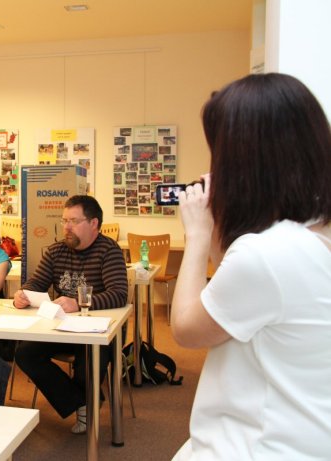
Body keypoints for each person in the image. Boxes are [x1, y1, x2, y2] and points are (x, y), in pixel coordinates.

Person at [171, 73, 331, 460]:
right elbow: (235, 297)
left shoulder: (267, 254)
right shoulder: (309, 237)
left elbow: (187, 329)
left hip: (257, 445)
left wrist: (197, 234)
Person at [13, 195, 127, 434]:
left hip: (100, 329)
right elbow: (36, 283)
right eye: (64, 220)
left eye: (74, 221)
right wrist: (22, 295)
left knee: (89, 358)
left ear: (94, 223)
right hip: (62, 327)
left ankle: (83, 404)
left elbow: (118, 295)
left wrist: (79, 303)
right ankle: (80, 401)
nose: (66, 227)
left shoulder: (109, 250)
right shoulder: (56, 251)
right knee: (25, 353)